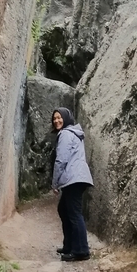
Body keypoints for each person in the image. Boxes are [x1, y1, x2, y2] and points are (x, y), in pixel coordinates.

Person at [51, 107, 93, 262]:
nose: (56, 121)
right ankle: (69, 245)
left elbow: (61, 160)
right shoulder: (73, 133)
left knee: (74, 213)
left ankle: (81, 250)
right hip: (78, 177)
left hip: (74, 178)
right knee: (64, 209)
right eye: (54, 118)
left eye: (59, 117)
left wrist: (54, 183)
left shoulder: (66, 134)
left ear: (66, 118)